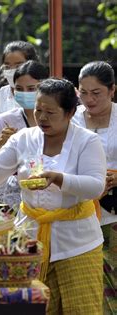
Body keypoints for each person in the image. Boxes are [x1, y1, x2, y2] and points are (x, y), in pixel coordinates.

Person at [0, 78, 105, 314]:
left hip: (78, 243)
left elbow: (96, 186)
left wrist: (59, 178)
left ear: (70, 112)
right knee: (35, 309)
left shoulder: (87, 141)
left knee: (83, 308)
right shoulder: (22, 138)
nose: (42, 117)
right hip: (31, 240)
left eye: (50, 112)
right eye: (38, 110)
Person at [0, 61, 48, 209]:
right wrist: (0, 142)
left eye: (31, 88)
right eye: (19, 89)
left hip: (46, 193)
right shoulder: (4, 120)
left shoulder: (55, 119)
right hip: (6, 196)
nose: (25, 93)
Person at [73, 61, 116, 227]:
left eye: (96, 93)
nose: (89, 99)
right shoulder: (70, 118)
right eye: (83, 92)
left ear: (112, 90)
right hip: (79, 207)